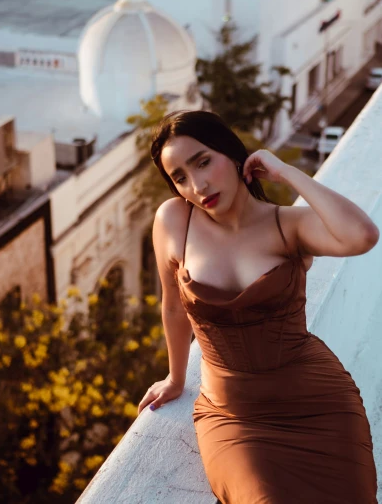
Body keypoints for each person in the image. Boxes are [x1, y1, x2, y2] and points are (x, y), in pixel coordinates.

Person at [137, 110, 379, 504]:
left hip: (319, 405)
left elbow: (363, 235)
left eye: (203, 162)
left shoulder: (287, 225)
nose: (197, 185)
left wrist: (285, 172)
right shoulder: (174, 222)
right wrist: (176, 378)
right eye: (180, 177)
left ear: (234, 156)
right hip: (235, 419)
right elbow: (173, 308)